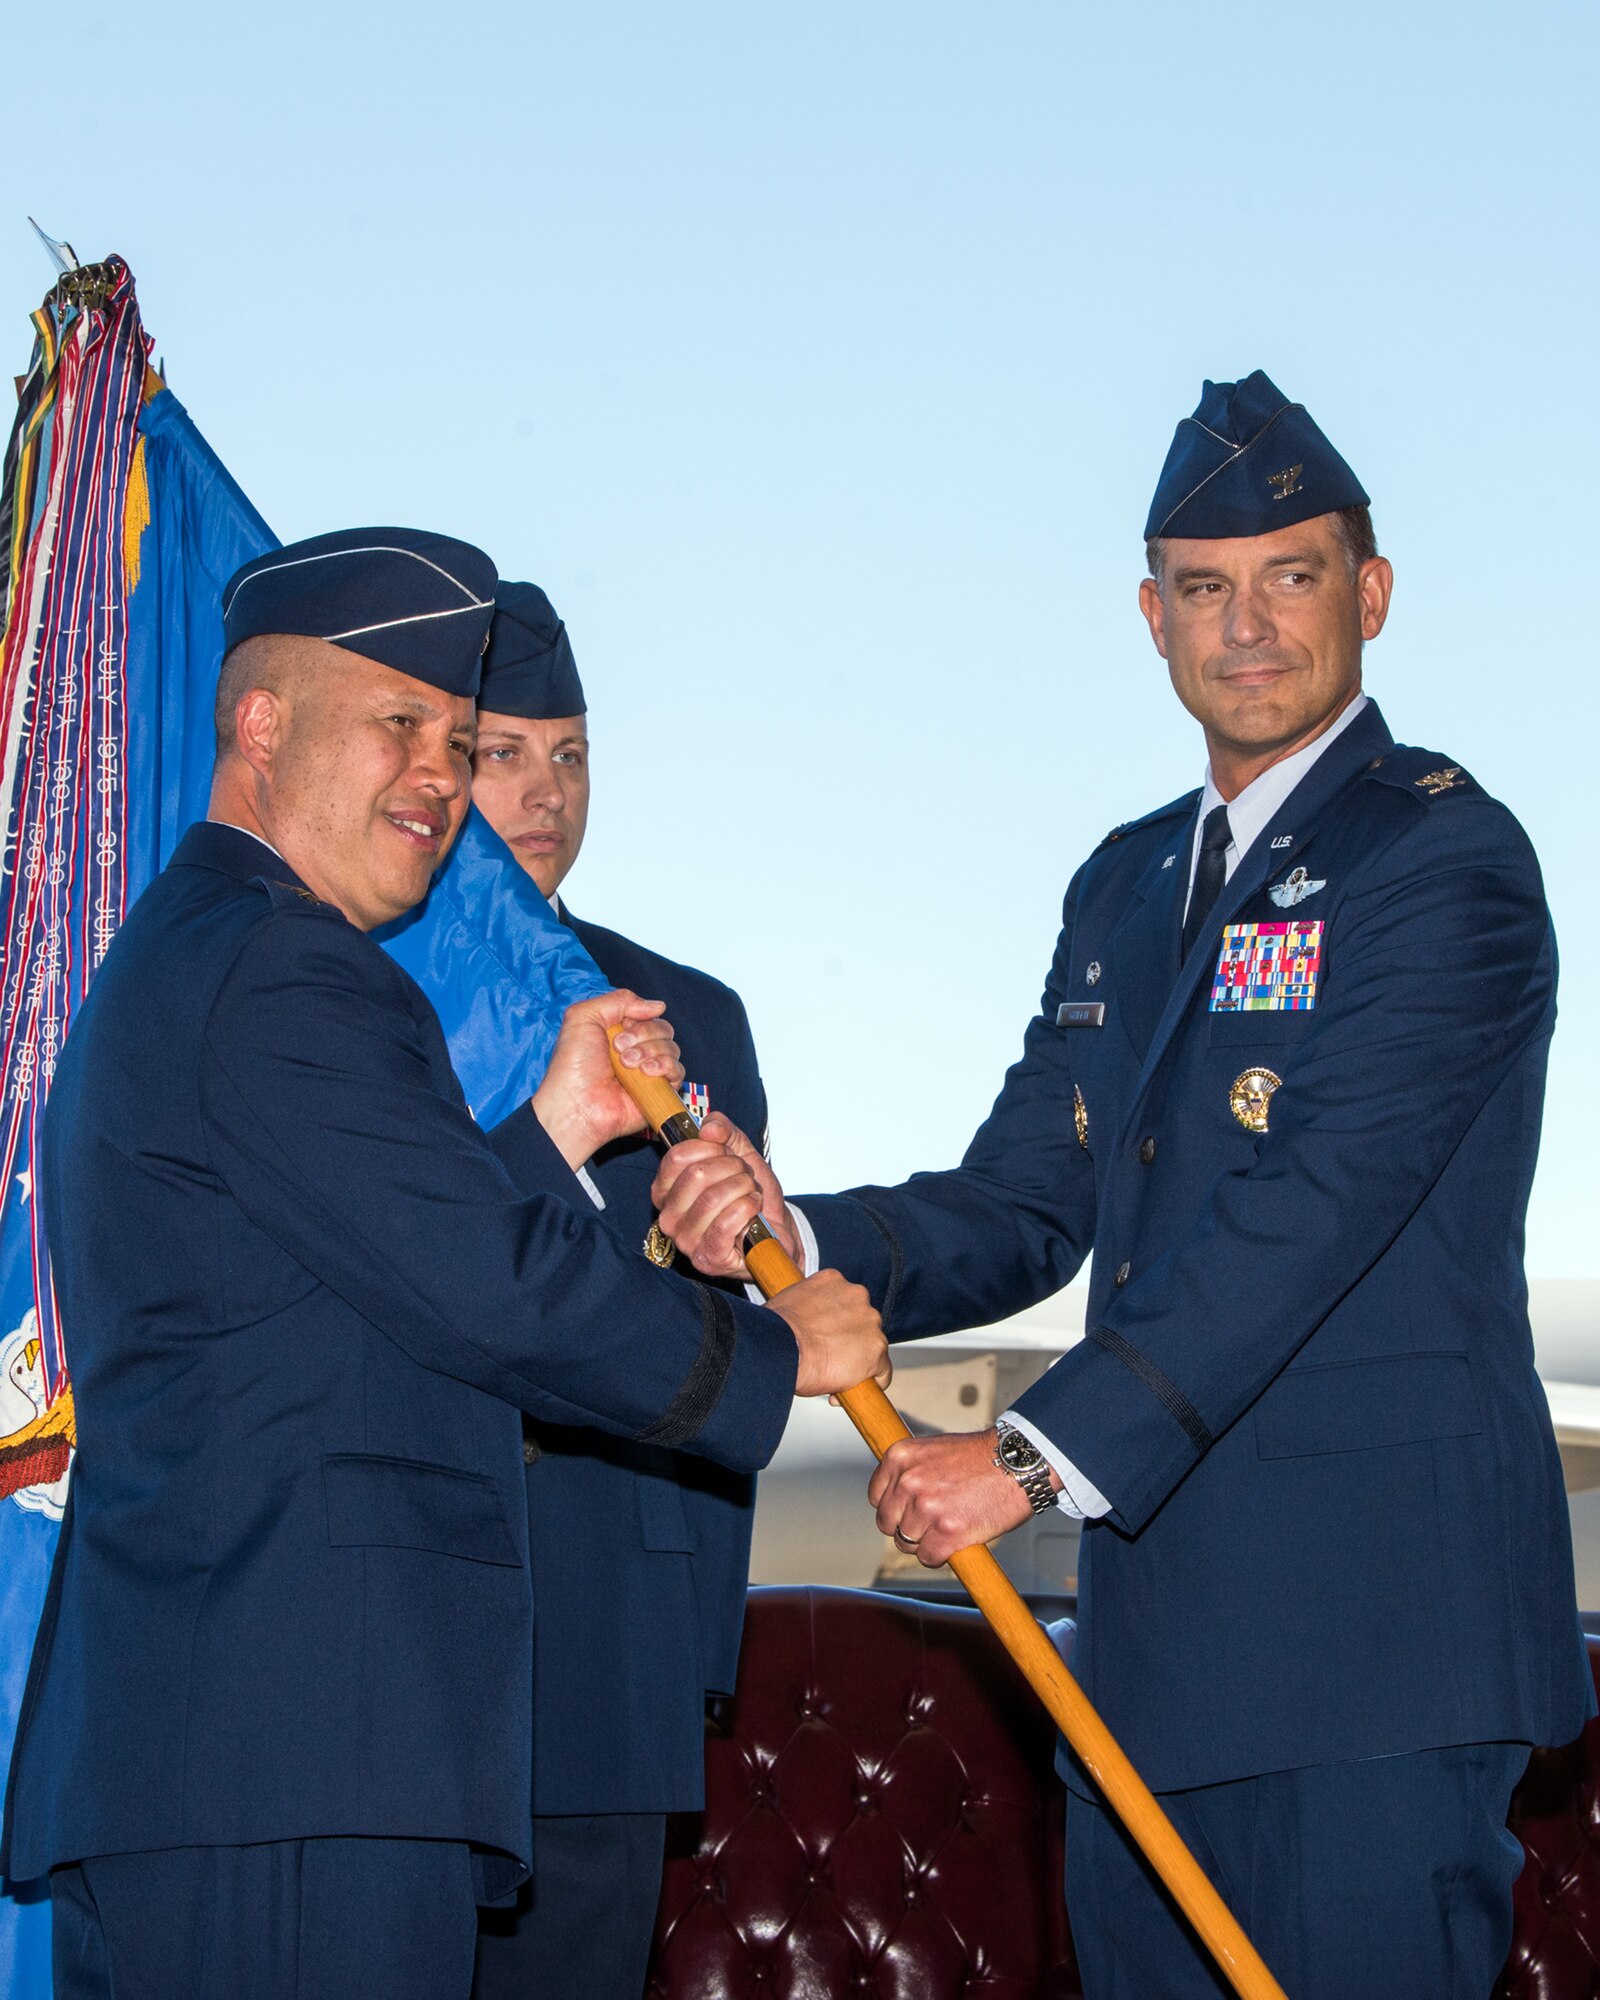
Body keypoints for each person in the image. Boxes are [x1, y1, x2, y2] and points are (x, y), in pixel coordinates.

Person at [652, 375, 1594, 1998]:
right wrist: (796, 1232)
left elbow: (1312, 1213)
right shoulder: (1126, 880)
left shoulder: (1446, 861)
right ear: (1149, 619)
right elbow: (1030, 1191)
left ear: (1369, 596)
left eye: (1291, 576)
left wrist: (1028, 1456)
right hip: (1154, 1661)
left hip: (1375, 1649)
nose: (1247, 627)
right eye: (1205, 589)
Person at [0, 528, 887, 2000]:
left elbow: (349, 1283)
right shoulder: (283, 968)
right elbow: (492, 1288)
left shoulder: (217, 954)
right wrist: (787, 1349)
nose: (439, 775)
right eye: (399, 725)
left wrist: (553, 1126)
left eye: (456, 739)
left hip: (264, 1758)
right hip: (287, 1765)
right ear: (260, 724)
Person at [460, 581, 784, 2000]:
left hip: (608, 1641)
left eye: (571, 754)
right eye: (503, 754)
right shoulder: (355, 990)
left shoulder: (684, 1015)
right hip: (409, 1633)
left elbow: (732, 1318)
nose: (545, 793)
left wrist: (690, 1653)